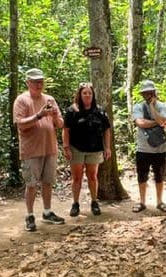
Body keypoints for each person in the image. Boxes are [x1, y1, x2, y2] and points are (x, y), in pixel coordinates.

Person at [13, 68, 65, 232]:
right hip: (31, 150)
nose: (38, 84)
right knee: (31, 184)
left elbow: (61, 124)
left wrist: (55, 115)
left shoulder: (49, 99)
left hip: (49, 148)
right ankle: (29, 215)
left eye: (40, 81)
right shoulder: (22, 100)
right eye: (35, 81)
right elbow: (20, 123)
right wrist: (39, 115)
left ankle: (47, 212)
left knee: (48, 182)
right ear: (28, 83)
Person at [62, 83, 112, 217]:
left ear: (93, 95)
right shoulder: (72, 110)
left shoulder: (100, 111)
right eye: (84, 93)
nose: (87, 95)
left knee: (92, 176)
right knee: (77, 178)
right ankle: (75, 203)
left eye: (90, 93)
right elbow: (66, 130)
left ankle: (94, 202)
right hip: (76, 148)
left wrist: (107, 147)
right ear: (80, 94)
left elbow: (107, 129)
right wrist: (66, 147)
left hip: (95, 149)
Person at [132, 80, 166, 213]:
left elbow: (163, 121)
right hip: (143, 148)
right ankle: (142, 202)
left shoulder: (163, 106)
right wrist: (157, 122)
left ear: (154, 92)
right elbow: (140, 123)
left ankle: (159, 202)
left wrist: (153, 107)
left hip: (160, 149)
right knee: (142, 176)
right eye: (145, 93)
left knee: (160, 176)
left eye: (150, 92)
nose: (147, 95)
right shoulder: (138, 107)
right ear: (142, 94)